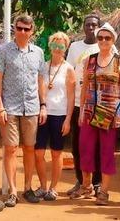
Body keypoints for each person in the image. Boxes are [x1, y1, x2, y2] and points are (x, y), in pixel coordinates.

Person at [0, 14, 47, 207]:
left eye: (26, 29)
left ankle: (27, 188)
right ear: (14, 29)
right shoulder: (3, 51)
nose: (22, 32)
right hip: (9, 107)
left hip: (32, 107)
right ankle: (13, 192)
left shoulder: (39, 53)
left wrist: (43, 105)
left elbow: (40, 80)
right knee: (10, 148)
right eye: (19, 28)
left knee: (30, 148)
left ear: (32, 31)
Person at [74, 22, 120, 206]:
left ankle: (104, 191)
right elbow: (85, 87)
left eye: (107, 38)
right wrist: (81, 110)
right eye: (100, 38)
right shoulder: (89, 60)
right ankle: (87, 185)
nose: (103, 41)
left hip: (110, 113)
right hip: (90, 111)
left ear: (113, 39)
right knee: (85, 149)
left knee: (106, 152)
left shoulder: (119, 61)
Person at [34, 32, 75, 201]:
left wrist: (68, 120)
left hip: (60, 114)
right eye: (55, 46)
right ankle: (43, 186)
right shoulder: (43, 66)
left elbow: (72, 97)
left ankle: (53, 188)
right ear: (50, 47)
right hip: (43, 113)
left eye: (61, 46)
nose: (58, 49)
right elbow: (39, 88)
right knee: (38, 152)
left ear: (66, 48)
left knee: (57, 153)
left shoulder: (68, 69)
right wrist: (42, 107)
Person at [65, 13, 103, 196]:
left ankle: (96, 183)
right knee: (77, 145)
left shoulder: (104, 45)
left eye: (94, 25)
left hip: (98, 104)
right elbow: (69, 73)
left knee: (96, 145)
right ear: (83, 27)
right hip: (78, 103)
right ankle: (80, 181)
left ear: (99, 27)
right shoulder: (74, 47)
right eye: (88, 25)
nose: (91, 28)